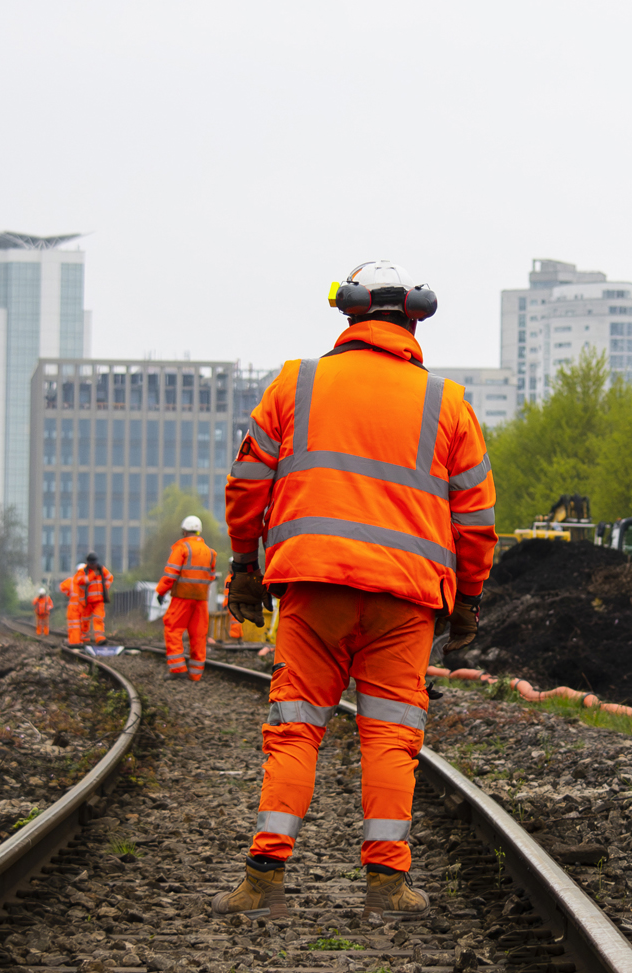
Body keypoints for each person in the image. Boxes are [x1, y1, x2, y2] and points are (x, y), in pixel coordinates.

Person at [210, 261, 497, 919]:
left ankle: (264, 878)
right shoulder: (447, 403)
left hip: (314, 591)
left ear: (349, 314)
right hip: (406, 601)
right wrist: (470, 601)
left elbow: (247, 482)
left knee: (296, 724)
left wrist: (247, 566)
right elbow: (476, 519)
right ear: (415, 320)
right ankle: (386, 886)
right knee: (391, 732)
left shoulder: (296, 382)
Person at [156, 514, 217, 680]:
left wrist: (161, 591)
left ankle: (178, 670)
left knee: (173, 629)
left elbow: (171, 574)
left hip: (182, 597)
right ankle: (196, 675)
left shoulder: (182, 548)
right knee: (198, 635)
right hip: (201, 599)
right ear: (199, 532)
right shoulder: (210, 552)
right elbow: (211, 577)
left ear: (184, 532)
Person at [66, 553, 113, 645]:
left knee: (98, 618)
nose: (93, 565)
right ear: (88, 563)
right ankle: (84, 638)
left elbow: (110, 578)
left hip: (99, 601)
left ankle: (99, 638)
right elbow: (81, 581)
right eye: (91, 564)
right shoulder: (83, 571)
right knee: (85, 620)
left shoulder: (102, 569)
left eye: (94, 563)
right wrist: (93, 575)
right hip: (87, 601)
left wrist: (104, 588)